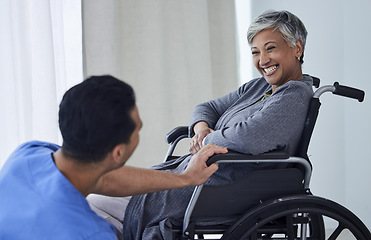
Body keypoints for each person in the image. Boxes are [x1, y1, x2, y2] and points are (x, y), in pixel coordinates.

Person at [117, 10, 315, 239]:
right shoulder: (257, 87)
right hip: (203, 175)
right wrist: (201, 129)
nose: (263, 60)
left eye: (271, 48)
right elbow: (206, 108)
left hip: (226, 185)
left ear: (297, 48)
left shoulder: (292, 97)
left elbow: (248, 137)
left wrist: (207, 140)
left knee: (102, 204)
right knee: (107, 197)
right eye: (255, 52)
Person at [0, 75, 226, 240]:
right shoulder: (90, 233)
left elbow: (104, 178)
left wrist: (185, 178)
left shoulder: (28, 153)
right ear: (118, 152)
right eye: (138, 128)